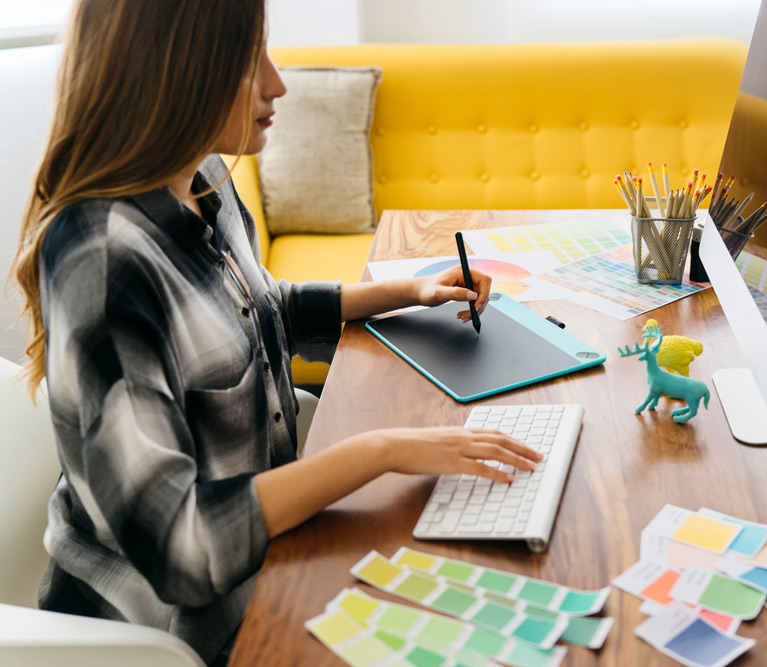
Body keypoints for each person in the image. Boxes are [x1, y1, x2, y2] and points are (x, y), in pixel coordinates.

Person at [10, 1, 541, 664]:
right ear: (175, 72)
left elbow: (254, 315)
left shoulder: (205, 183)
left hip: (275, 560)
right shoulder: (104, 262)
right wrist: (376, 451)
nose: (277, 82)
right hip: (168, 631)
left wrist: (402, 291)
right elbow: (185, 550)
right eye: (245, 61)